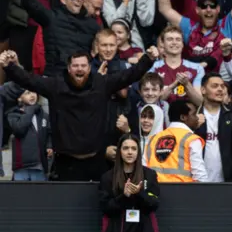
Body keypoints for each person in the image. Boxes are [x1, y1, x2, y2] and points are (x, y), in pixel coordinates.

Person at [0, 47, 158, 181]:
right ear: (69, 68)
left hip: (97, 161)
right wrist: (9, 67)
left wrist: (148, 58)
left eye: (83, 65)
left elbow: (129, 75)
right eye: (75, 66)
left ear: (89, 68)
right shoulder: (55, 85)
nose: (80, 69)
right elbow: (29, 81)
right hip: (66, 163)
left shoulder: (101, 83)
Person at [99, 134, 161, 232]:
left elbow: (154, 204)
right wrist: (124, 196)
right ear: (119, 151)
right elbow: (105, 208)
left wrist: (140, 193)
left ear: (138, 152)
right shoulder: (108, 177)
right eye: (125, 148)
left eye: (133, 148)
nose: (129, 152)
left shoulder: (149, 175)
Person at [194, 72, 232, 182]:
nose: (220, 89)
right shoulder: (193, 115)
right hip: (198, 180)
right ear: (203, 90)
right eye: (215, 86)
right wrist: (193, 127)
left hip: (228, 181)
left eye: (222, 86)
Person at [144, 100, 208, 182]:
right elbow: (200, 175)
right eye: (194, 114)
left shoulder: (153, 139)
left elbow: (144, 169)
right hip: (182, 192)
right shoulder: (191, 139)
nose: (197, 118)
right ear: (183, 117)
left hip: (155, 191)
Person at [7, 90, 51, 181]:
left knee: (39, 193)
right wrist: (30, 110)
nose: (32, 95)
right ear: (19, 98)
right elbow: (19, 129)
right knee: (20, 194)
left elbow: (49, 133)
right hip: (22, 166)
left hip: (39, 166)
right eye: (28, 93)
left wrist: (49, 146)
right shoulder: (14, 114)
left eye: (34, 92)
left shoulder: (44, 115)